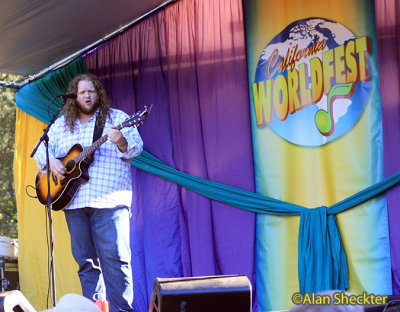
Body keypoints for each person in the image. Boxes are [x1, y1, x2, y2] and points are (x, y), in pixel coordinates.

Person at [34, 73, 143, 312]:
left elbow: (135, 149)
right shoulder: (61, 124)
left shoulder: (117, 118)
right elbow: (40, 151)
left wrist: (121, 140)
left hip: (110, 201)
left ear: (98, 94)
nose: (86, 95)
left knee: (116, 261)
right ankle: (95, 309)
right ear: (73, 96)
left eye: (91, 91)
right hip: (74, 203)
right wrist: (51, 161)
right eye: (81, 92)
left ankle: (122, 310)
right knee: (86, 264)